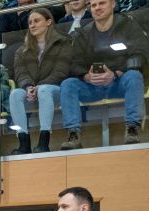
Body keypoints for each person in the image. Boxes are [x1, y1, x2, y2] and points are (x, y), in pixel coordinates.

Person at [59, 0, 148, 150]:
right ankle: (73, 134)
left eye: (102, 3)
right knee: (68, 85)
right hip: (91, 86)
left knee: (134, 76)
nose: (97, 8)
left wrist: (116, 74)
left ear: (113, 4)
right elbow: (74, 62)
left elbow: (140, 54)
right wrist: (86, 76)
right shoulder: (84, 32)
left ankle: (132, 128)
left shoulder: (129, 25)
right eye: (94, 5)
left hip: (119, 82)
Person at [8, 8, 71, 154]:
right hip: (33, 90)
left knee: (44, 90)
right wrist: (28, 86)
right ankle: (23, 142)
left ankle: (44, 141)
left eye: (36, 21)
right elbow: (20, 73)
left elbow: (61, 71)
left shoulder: (63, 43)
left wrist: (39, 86)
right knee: (15, 94)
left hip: (56, 90)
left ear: (48, 22)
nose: (32, 25)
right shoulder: (22, 50)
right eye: (30, 22)